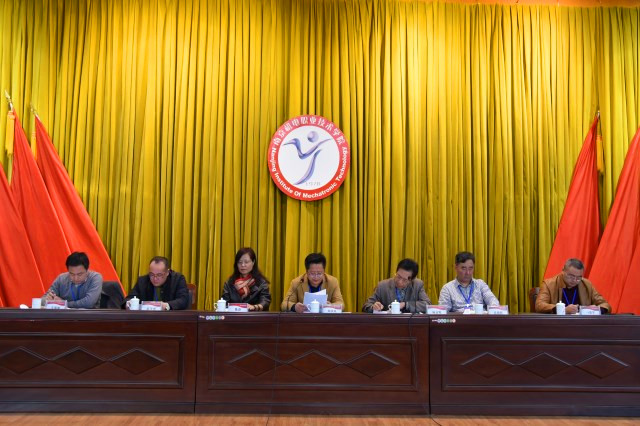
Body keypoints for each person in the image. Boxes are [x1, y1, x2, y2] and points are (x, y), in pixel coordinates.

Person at [535, 258, 611, 314]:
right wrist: (562, 310)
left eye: (578, 277)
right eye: (571, 276)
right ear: (563, 271)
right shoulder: (549, 284)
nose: (574, 280)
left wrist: (597, 310)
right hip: (558, 324)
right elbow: (539, 305)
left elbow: (605, 304)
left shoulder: (586, 284)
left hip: (582, 324)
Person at [362, 258, 431, 313]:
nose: (400, 282)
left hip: (411, 324)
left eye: (404, 280)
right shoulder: (382, 286)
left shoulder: (417, 285)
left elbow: (427, 304)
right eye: (398, 276)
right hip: (389, 324)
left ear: (412, 279)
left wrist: (405, 305)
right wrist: (374, 307)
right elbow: (366, 306)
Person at [125, 256, 189, 310]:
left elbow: (183, 300)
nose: (155, 279)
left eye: (159, 275)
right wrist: (128, 303)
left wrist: (167, 305)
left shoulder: (178, 279)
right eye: (152, 274)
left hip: (171, 318)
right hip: (147, 318)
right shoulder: (142, 281)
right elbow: (129, 298)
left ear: (167, 272)